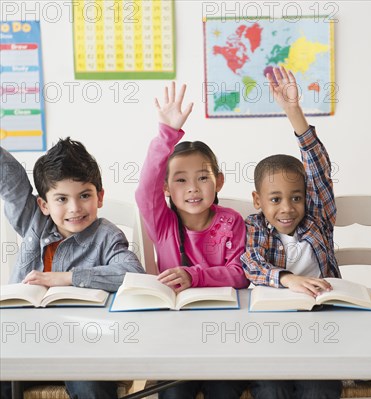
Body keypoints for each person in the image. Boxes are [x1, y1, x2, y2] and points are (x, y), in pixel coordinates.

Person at [0, 140, 144, 399]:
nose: (75, 208)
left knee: (89, 385)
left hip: (85, 348)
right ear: (44, 205)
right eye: (62, 199)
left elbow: (133, 273)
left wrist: (67, 278)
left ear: (99, 196)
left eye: (85, 195)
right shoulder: (34, 221)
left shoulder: (106, 236)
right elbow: (10, 178)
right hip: (27, 344)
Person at [135, 82, 249, 399]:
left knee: (223, 390)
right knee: (172, 393)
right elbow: (145, 190)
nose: (193, 188)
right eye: (181, 180)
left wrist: (193, 275)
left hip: (224, 333)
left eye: (202, 177)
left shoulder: (231, 221)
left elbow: (240, 274)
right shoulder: (163, 223)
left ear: (218, 181)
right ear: (167, 189)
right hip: (175, 335)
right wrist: (167, 133)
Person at [241, 66, 342, 399]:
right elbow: (252, 264)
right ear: (258, 201)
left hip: (320, 327)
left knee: (318, 388)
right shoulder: (256, 227)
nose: (287, 208)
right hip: (271, 331)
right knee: (271, 388)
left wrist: (294, 112)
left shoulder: (317, 220)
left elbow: (317, 168)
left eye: (296, 197)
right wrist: (288, 279)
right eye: (275, 199)